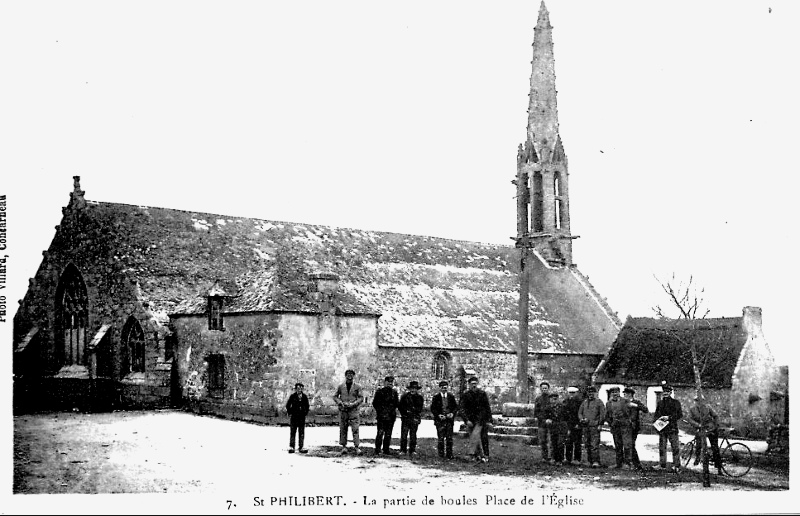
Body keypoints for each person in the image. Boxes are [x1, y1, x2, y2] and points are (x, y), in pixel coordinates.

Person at [687, 395, 723, 474]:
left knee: (715, 447)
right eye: (697, 401)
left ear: (703, 401)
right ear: (695, 401)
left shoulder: (708, 407)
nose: (699, 402)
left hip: (710, 428)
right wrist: (697, 425)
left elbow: (715, 416)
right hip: (700, 428)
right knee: (698, 443)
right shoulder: (692, 409)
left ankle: (719, 467)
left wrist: (716, 425)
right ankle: (698, 457)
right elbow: (689, 419)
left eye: (701, 401)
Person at [459, 376, 491, 463]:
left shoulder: (482, 394)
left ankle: (473, 454)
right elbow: (461, 409)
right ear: (469, 385)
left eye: (475, 384)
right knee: (474, 437)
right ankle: (479, 456)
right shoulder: (465, 395)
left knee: (478, 436)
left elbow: (487, 407)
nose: (474, 386)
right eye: (472, 384)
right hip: (470, 420)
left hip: (481, 420)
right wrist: (466, 420)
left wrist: (489, 420)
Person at [333, 369, 364, 455]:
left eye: (351, 374)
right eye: (348, 374)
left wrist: (354, 404)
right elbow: (335, 396)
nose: (349, 376)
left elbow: (361, 398)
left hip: (353, 411)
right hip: (343, 410)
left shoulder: (357, 386)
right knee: (343, 428)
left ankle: (357, 447)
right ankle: (343, 447)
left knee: (355, 429)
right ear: (345, 375)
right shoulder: (341, 386)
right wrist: (340, 403)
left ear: (353, 376)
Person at [653, 384, 683, 471]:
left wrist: (669, 418)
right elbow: (656, 415)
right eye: (664, 392)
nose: (665, 393)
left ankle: (676, 466)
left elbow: (679, 415)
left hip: (672, 428)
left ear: (670, 393)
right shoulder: (660, 403)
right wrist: (657, 422)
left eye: (667, 392)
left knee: (675, 448)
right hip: (662, 428)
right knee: (662, 447)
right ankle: (662, 465)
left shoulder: (676, 403)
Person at [604, 386, 633, 469]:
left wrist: (629, 421)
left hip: (625, 426)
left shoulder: (625, 401)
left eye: (616, 392)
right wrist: (611, 423)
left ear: (619, 393)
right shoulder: (608, 403)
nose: (615, 394)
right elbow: (607, 415)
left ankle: (627, 463)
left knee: (627, 445)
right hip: (615, 427)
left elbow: (631, 412)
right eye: (613, 392)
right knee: (618, 445)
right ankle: (618, 463)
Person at [578, 386, 606, 468]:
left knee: (594, 444)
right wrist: (581, 419)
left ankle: (596, 461)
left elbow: (602, 414)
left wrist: (600, 424)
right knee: (587, 444)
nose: (591, 394)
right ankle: (589, 461)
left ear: (595, 393)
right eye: (589, 392)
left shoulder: (599, 402)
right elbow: (580, 412)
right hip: (586, 426)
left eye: (592, 392)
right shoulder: (585, 402)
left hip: (595, 426)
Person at [371, 375, 399, 455]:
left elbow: (396, 403)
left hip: (391, 416)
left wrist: (391, 411)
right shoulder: (379, 392)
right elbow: (375, 403)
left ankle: (386, 449)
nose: (390, 384)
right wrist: (381, 411)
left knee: (388, 433)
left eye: (391, 382)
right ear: (385, 382)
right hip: (382, 416)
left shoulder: (394, 393)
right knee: (380, 432)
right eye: (388, 382)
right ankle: (378, 449)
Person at [430, 380, 458, 459]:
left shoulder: (451, 396)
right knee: (441, 438)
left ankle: (449, 454)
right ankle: (441, 454)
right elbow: (433, 408)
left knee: (449, 438)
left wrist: (452, 414)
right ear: (440, 388)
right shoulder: (436, 397)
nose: (444, 389)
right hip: (440, 421)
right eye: (442, 388)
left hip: (449, 420)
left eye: (445, 388)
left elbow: (455, 407)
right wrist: (438, 415)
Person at [623, 386, 648, 470]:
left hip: (634, 427)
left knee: (631, 444)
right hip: (624, 426)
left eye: (626, 394)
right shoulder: (623, 403)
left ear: (631, 394)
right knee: (626, 445)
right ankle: (629, 463)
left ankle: (636, 464)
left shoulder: (636, 402)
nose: (625, 395)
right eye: (624, 394)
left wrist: (635, 405)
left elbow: (645, 409)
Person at [399, 380, 424, 458]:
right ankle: (403, 450)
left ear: (417, 389)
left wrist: (413, 412)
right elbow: (400, 407)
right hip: (406, 418)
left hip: (414, 418)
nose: (413, 390)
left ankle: (412, 450)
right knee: (404, 435)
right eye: (411, 389)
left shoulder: (420, 398)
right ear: (409, 389)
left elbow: (420, 408)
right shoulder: (404, 397)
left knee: (413, 435)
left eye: (415, 389)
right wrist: (405, 412)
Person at [285, 382, 310, 454]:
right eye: (298, 388)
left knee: (301, 432)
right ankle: (292, 446)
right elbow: (288, 405)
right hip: (294, 417)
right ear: (296, 389)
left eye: (301, 388)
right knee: (293, 432)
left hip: (301, 417)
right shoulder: (292, 396)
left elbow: (307, 406)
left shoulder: (304, 397)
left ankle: (301, 447)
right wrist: (290, 413)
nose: (300, 390)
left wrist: (305, 413)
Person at [562, 386, 584, 465]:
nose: (571, 395)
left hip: (577, 425)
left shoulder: (580, 402)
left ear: (577, 393)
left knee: (577, 442)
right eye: (570, 393)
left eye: (573, 393)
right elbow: (564, 414)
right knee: (568, 442)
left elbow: (582, 413)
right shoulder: (565, 402)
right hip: (568, 424)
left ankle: (577, 459)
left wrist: (579, 424)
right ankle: (568, 458)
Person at [532, 381, 552, 463]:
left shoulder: (551, 398)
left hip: (550, 422)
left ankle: (551, 456)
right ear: (540, 389)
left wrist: (550, 419)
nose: (544, 390)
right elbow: (536, 412)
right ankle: (544, 457)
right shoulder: (538, 399)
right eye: (543, 388)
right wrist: (543, 419)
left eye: (546, 388)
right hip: (541, 423)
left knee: (551, 441)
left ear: (548, 389)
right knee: (543, 441)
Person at [549, 392, 568, 464]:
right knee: (554, 443)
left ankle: (560, 460)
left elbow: (567, 417)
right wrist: (547, 420)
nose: (554, 401)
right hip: (553, 428)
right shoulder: (548, 408)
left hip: (561, 427)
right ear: (550, 400)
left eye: (555, 399)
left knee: (560, 443)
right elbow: (544, 417)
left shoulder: (563, 407)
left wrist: (566, 427)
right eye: (552, 399)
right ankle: (554, 458)